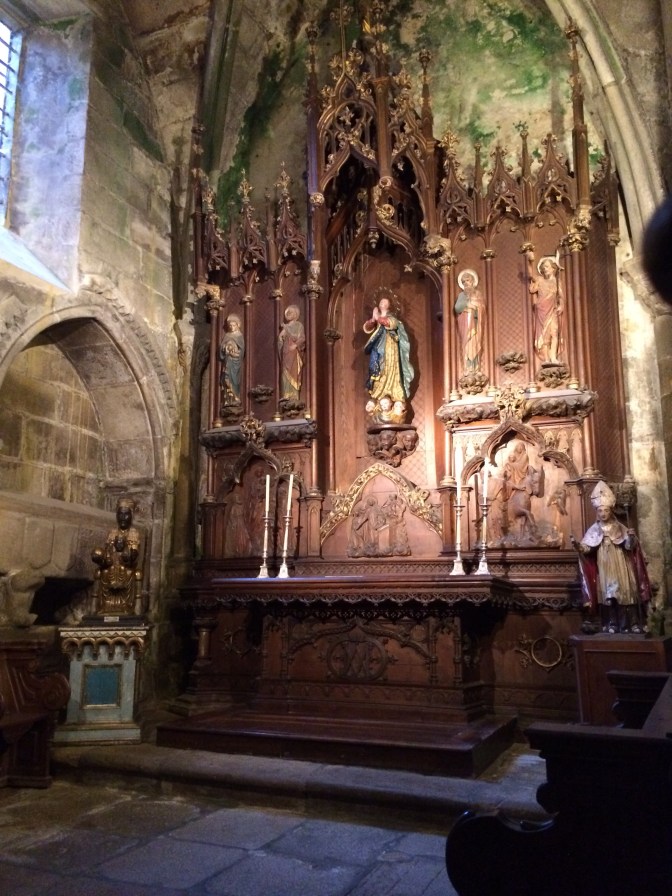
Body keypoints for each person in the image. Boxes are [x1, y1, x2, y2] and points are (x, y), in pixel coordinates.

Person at [570, 481, 652, 633]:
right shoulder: (594, 529)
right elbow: (586, 549)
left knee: (626, 592)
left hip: (621, 563)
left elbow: (629, 547)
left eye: (606, 510)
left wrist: (631, 538)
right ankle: (611, 623)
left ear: (611, 511)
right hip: (604, 564)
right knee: (608, 594)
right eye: (600, 510)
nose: (603, 513)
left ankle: (631, 624)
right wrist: (577, 545)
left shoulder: (620, 527)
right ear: (597, 512)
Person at [91, 497, 142, 615]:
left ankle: (126, 606)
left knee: (128, 572)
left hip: (126, 566)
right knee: (101, 572)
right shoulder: (112, 532)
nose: (122, 517)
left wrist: (126, 551)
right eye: (120, 514)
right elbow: (108, 551)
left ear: (131, 516)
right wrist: (101, 557)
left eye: (126, 514)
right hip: (111, 564)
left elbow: (134, 555)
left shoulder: (133, 533)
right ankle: (104, 606)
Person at [363, 294, 414, 410]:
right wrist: (373, 319)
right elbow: (368, 327)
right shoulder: (376, 318)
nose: (382, 304)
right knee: (377, 369)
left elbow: (389, 323)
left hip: (390, 348)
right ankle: (378, 393)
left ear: (389, 305)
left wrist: (377, 317)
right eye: (381, 302)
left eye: (385, 302)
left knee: (390, 368)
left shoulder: (392, 318)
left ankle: (394, 394)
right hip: (378, 349)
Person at [527, 251, 564, 364]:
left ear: (553, 268)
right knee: (544, 335)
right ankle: (547, 358)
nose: (545, 269)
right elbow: (531, 275)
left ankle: (553, 357)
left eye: (547, 267)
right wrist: (531, 261)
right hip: (542, 310)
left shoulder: (557, 282)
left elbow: (561, 296)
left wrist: (562, 305)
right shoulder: (540, 280)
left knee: (554, 332)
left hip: (552, 310)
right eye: (543, 267)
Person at [454, 269, 485, 373]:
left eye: (468, 281)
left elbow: (482, 306)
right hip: (465, 323)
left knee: (475, 343)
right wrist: (468, 305)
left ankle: (475, 366)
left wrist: (476, 307)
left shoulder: (477, 294)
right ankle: (467, 367)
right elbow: (457, 308)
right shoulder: (462, 295)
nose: (466, 283)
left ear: (472, 281)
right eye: (464, 282)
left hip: (475, 322)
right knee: (466, 343)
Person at [278, 304, 306, 402]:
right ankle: (286, 394)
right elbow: (280, 339)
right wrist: (280, 339)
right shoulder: (285, 327)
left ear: (296, 314)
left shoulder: (298, 325)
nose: (289, 314)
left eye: (291, 312)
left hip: (293, 352)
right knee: (285, 372)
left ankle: (294, 394)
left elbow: (302, 338)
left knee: (293, 372)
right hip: (286, 352)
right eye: (288, 312)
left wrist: (295, 345)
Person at [220, 313, 244, 407]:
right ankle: (228, 399)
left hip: (235, 361)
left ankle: (236, 397)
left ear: (237, 325)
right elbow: (221, 349)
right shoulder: (227, 336)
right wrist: (225, 348)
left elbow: (242, 349)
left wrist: (235, 353)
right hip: (228, 360)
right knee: (227, 379)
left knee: (234, 379)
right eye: (230, 325)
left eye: (234, 325)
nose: (232, 327)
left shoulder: (239, 336)